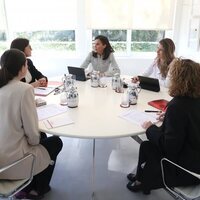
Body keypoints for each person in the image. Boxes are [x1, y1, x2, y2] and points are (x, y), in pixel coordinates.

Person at [127, 58, 200, 194]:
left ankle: (143, 182)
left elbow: (169, 147)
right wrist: (168, 118)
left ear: (178, 79)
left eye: (171, 74)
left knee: (148, 147)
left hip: (188, 171)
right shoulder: (194, 99)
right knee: (148, 146)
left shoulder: (177, 106)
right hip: (196, 158)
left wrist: (150, 128)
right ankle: (142, 178)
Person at [0, 49, 63, 199]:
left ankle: (30, 185)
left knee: (42, 136)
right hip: (10, 163)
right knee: (55, 142)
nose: (27, 67)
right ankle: (38, 189)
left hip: (2, 154)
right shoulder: (24, 89)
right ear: (21, 67)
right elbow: (33, 138)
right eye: (26, 64)